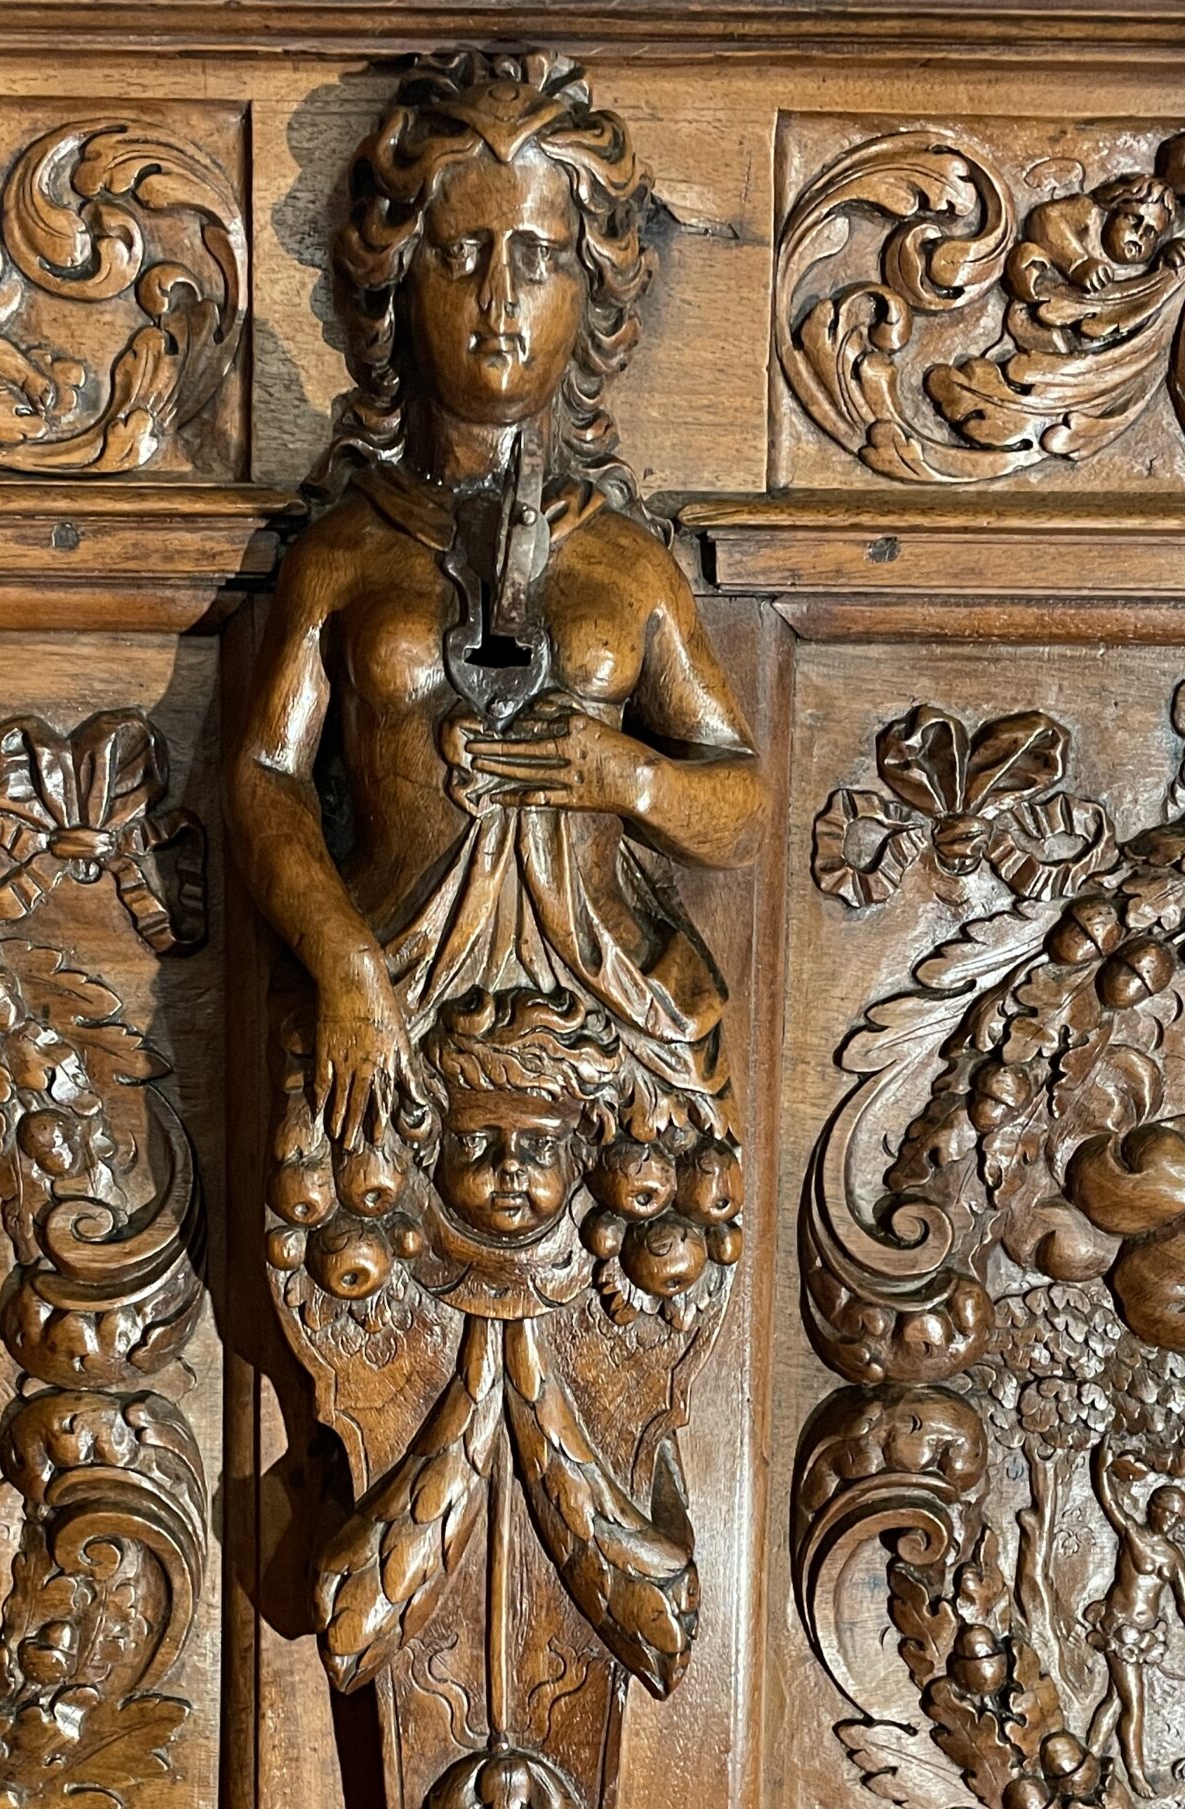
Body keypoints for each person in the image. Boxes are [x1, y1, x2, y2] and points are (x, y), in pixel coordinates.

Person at [227, 53, 767, 1159]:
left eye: (538, 255)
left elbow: (742, 801)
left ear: (592, 285)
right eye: (461, 252)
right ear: (400, 277)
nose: (499, 300)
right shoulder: (344, 551)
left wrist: (632, 779)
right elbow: (268, 776)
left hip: (606, 1022)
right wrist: (343, 960)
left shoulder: (628, 563)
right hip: (388, 1002)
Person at [1085, 1444, 1185, 1796]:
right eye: (1168, 1512)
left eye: (1178, 1517)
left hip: (1144, 1636)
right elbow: (1108, 1500)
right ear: (1153, 1508)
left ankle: (1090, 1756)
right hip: (1120, 1630)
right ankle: (1136, 1773)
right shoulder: (1132, 1534)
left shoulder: (1173, 1557)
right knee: (1134, 1703)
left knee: (1116, 1699)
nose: (1171, 1521)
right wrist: (1102, 1462)